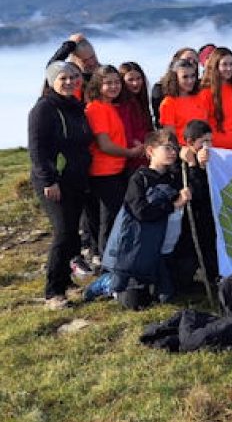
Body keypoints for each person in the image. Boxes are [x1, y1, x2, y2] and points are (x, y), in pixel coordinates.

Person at [28, 62, 93, 310]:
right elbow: (37, 149)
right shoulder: (44, 108)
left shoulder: (76, 106)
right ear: (52, 81)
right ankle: (52, 293)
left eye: (73, 77)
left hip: (76, 179)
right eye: (62, 78)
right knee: (64, 232)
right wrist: (48, 180)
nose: (69, 82)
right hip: (53, 181)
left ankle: (65, 281)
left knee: (72, 232)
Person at [103, 129, 191, 310]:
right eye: (167, 148)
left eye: (175, 148)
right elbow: (141, 211)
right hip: (140, 248)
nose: (173, 152)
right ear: (150, 151)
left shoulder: (174, 177)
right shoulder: (139, 178)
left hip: (164, 249)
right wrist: (172, 205)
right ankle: (107, 283)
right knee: (135, 303)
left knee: (167, 297)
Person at [84, 65, 145, 258]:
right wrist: (130, 153)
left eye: (117, 82)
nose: (114, 86)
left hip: (115, 170)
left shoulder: (109, 106)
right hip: (103, 172)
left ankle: (112, 259)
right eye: (108, 83)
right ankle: (107, 262)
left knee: (114, 217)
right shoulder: (96, 109)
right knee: (110, 219)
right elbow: (104, 144)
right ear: (97, 85)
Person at [174, 119, 218, 288]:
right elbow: (195, 193)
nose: (208, 146)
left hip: (207, 222)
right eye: (204, 141)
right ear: (191, 143)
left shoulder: (212, 162)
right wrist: (193, 165)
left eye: (210, 141)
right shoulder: (179, 165)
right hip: (187, 228)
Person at [199, 47, 232, 151]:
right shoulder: (205, 93)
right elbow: (202, 127)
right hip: (217, 152)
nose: (229, 68)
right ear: (215, 66)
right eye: (224, 64)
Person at [158, 58, 208, 145]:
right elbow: (170, 138)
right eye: (185, 77)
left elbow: (206, 128)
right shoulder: (168, 103)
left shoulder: (200, 98)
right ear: (175, 78)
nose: (190, 80)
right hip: (183, 154)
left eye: (193, 76)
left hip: (204, 151)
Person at [117, 61, 154, 171]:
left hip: (147, 153)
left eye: (138, 78)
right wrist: (140, 146)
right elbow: (125, 131)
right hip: (134, 157)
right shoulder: (123, 104)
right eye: (130, 80)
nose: (135, 83)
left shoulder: (141, 101)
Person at [151, 47, 199, 123]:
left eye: (195, 62)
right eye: (187, 59)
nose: (191, 63)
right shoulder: (160, 89)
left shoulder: (197, 89)